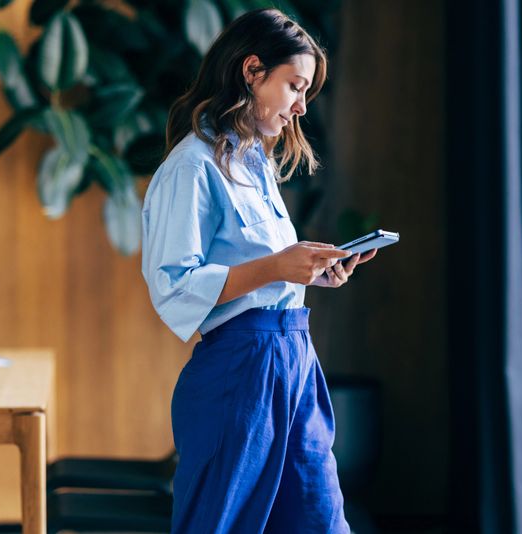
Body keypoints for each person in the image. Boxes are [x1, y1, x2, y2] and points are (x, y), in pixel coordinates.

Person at [141, 8, 377, 533]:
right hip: (240, 372)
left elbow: (257, 273)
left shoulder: (254, 164)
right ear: (252, 71)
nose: (299, 107)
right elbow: (173, 285)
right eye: (295, 87)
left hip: (294, 360)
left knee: (321, 520)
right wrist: (276, 265)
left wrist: (311, 273)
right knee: (221, 523)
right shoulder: (192, 166)